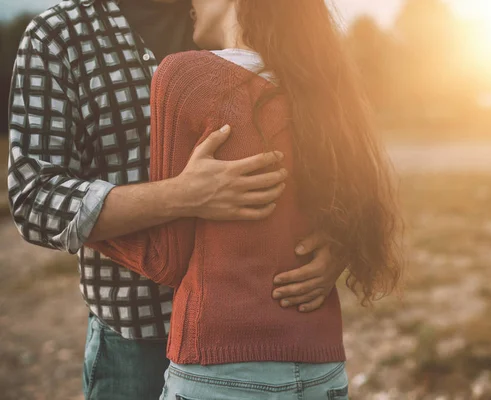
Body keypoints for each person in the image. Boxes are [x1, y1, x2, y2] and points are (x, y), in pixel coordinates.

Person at [7, 0, 348, 399]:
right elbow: (34, 199)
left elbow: (328, 141)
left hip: (258, 337)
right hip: (133, 341)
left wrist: (338, 236)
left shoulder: (245, 14)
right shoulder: (59, 34)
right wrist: (180, 197)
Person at [87, 0, 403, 399]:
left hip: (220, 370)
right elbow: (351, 212)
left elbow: (165, 260)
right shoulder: (320, 88)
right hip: (323, 369)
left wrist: (88, 223)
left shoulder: (186, 75)